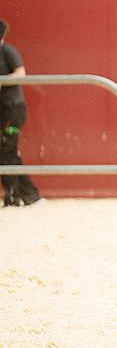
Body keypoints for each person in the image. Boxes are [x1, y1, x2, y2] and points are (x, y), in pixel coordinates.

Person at [0, 19, 43, 207]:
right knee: (6, 150)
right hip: (4, 109)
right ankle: (24, 194)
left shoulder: (7, 51)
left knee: (7, 147)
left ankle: (16, 195)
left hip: (13, 109)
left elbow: (21, 74)